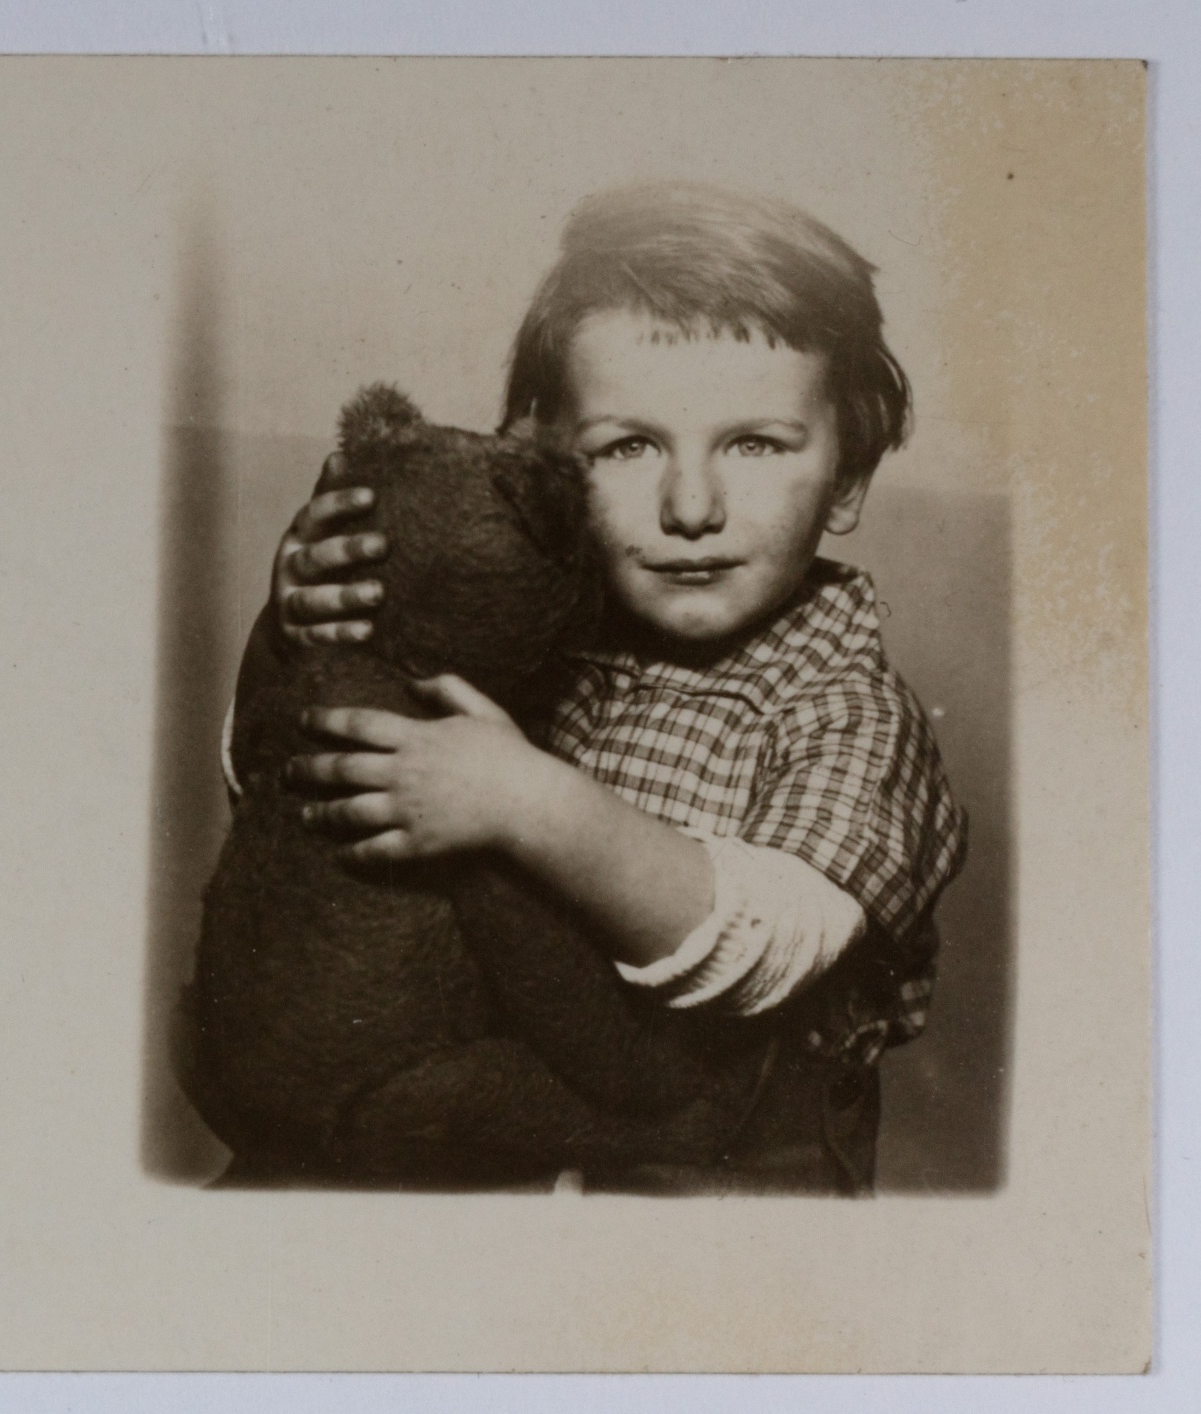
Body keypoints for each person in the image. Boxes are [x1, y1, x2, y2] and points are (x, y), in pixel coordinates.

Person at [266, 179, 966, 1193]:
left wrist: (526, 801)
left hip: (727, 1195)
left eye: (755, 443)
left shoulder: (849, 714)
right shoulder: (530, 633)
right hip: (496, 1158)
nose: (692, 506)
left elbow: (762, 950)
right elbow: (307, 805)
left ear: (848, 479)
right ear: (542, 465)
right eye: (628, 446)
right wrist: (311, 631)